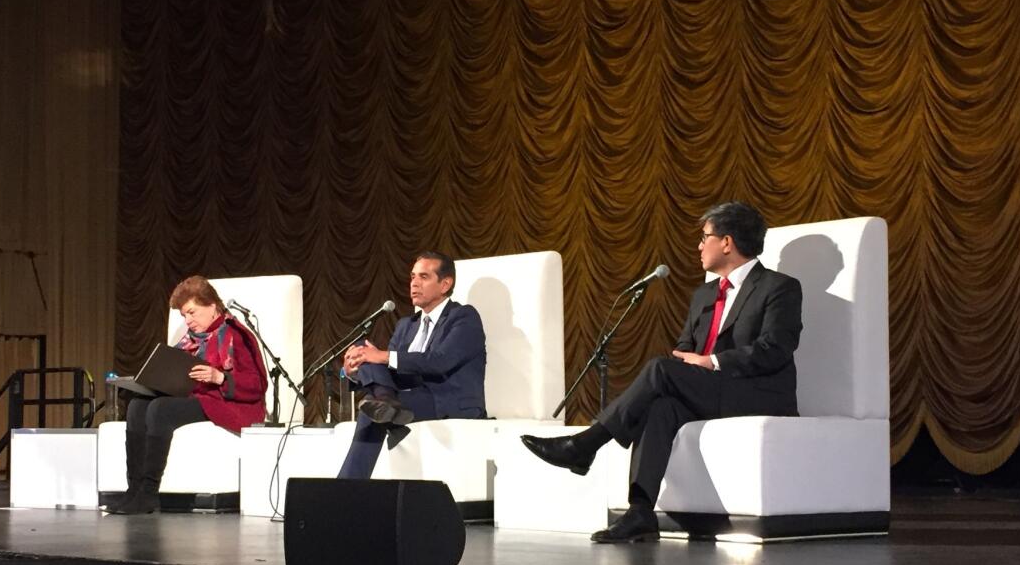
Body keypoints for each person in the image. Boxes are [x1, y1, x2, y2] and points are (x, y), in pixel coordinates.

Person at [521, 201, 802, 543]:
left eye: (705, 237)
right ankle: (640, 511)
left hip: (757, 393)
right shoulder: (704, 294)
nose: (699, 245)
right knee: (660, 406)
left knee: (658, 369)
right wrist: (691, 362)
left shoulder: (779, 287)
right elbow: (685, 346)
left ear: (726, 242)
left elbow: (775, 349)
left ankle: (588, 443)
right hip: (710, 390)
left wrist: (712, 362)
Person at [108, 275, 268, 515]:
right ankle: (134, 489)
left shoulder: (235, 335)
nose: (188, 320)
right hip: (194, 396)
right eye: (184, 315)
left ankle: (149, 493)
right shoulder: (188, 340)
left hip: (225, 401)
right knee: (137, 405)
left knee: (160, 410)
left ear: (212, 306)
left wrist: (220, 377)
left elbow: (256, 385)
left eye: (192, 313)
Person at [337, 251, 486, 478]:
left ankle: (345, 490)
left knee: (372, 406)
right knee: (362, 347)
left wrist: (382, 357)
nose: (414, 283)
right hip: (412, 396)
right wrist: (354, 371)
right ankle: (386, 401)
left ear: (445, 284)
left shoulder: (464, 317)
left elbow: (440, 361)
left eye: (424, 277)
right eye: (412, 277)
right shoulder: (406, 324)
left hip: (447, 399)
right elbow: (389, 371)